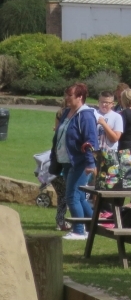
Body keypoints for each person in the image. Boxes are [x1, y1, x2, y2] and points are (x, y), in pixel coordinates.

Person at [57, 83, 99, 241]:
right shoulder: (67, 112)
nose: (66, 98)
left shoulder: (86, 115)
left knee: (72, 196)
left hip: (80, 162)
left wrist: (90, 163)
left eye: (70, 95)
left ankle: (78, 230)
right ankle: (93, 226)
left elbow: (90, 141)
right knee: (80, 197)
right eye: (66, 95)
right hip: (66, 161)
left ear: (80, 97)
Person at [48, 92, 73, 232]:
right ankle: (65, 222)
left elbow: (57, 131)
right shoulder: (66, 113)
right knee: (67, 195)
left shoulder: (60, 113)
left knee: (63, 195)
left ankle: (61, 221)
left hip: (58, 158)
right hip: (64, 160)